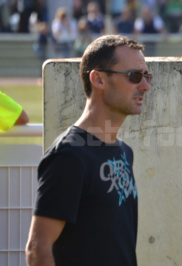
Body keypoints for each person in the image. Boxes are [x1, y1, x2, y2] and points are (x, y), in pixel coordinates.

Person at [25, 35, 151, 266]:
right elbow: (38, 249)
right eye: (134, 76)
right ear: (98, 79)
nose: (145, 86)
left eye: (146, 76)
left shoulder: (124, 151)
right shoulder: (69, 156)